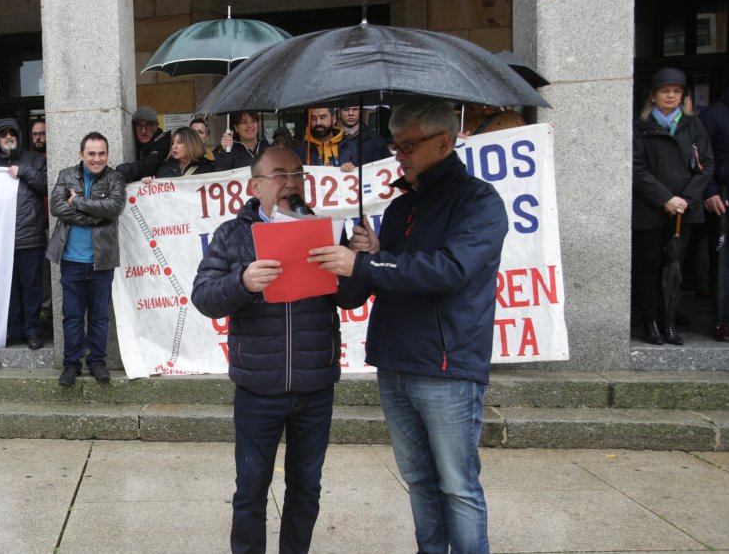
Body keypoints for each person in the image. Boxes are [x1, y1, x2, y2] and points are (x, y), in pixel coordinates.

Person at [310, 99, 508, 554]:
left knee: (457, 485)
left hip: (447, 365)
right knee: (418, 480)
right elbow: (378, 279)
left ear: (444, 141)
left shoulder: (478, 201)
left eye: (408, 146)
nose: (397, 155)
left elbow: (447, 270)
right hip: (395, 360)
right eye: (396, 145)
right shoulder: (401, 208)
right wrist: (361, 253)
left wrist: (371, 261)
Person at [192, 146, 352, 554]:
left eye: (298, 174)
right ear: (255, 185)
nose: (290, 183)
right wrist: (242, 283)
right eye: (279, 174)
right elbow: (204, 296)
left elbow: (351, 298)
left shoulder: (325, 229)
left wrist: (362, 259)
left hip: (315, 385)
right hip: (257, 388)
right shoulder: (233, 234)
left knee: (306, 489)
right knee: (250, 490)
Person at [632, 68, 713, 345]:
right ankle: (650, 322)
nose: (671, 96)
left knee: (674, 267)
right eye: (665, 91)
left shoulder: (694, 126)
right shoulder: (639, 127)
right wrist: (664, 198)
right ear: (653, 96)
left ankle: (669, 321)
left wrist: (685, 200)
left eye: (676, 91)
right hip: (650, 209)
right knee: (648, 266)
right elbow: (636, 168)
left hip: (682, 212)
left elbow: (706, 166)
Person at [47, 132, 125, 386]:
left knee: (100, 316)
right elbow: (57, 207)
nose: (97, 158)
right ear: (81, 154)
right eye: (91, 153)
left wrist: (78, 201)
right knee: (72, 315)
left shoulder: (115, 177)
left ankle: (97, 362)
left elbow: (114, 208)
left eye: (102, 153)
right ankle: (72, 364)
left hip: (101, 260)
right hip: (71, 260)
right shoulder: (66, 175)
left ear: (107, 154)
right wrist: (94, 216)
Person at [0, 118, 49, 350]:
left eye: (12, 133)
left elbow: (46, 186)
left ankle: (32, 330)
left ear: (19, 136)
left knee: (32, 287)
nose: (7, 137)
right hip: (1, 239)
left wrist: (23, 171)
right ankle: (13, 329)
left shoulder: (34, 160)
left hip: (30, 237)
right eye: (2, 134)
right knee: (8, 287)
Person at [700, 63, 729, 342]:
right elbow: (701, 158)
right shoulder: (717, 114)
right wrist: (710, 190)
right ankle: (725, 322)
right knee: (728, 267)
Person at [116, 106, 170, 182]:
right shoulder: (141, 144)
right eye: (139, 125)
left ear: (156, 125)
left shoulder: (163, 143)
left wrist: (120, 172)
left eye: (148, 125)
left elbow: (149, 164)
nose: (143, 130)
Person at [148, 127, 214, 179]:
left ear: (191, 144)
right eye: (172, 143)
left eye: (179, 142)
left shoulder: (207, 170)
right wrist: (149, 183)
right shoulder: (164, 169)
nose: (174, 146)